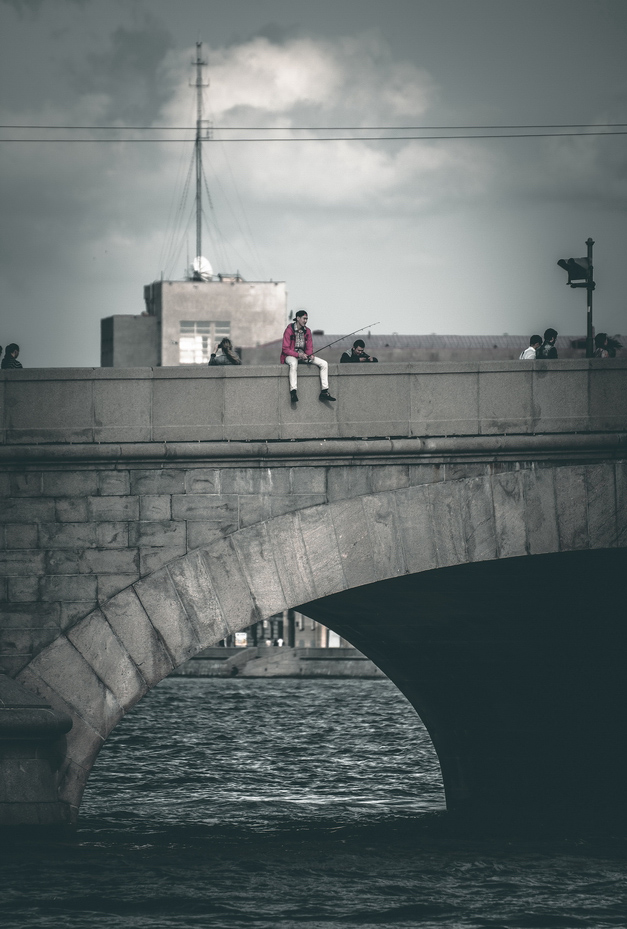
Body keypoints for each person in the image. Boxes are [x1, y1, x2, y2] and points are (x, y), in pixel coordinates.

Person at [280, 310, 336, 403]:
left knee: (324, 364)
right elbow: (285, 349)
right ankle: (293, 391)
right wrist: (298, 355)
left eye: (307, 319)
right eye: (304, 318)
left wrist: (310, 355)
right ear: (298, 318)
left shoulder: (308, 331)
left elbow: (309, 347)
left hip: (303, 356)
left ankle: (324, 391)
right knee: (293, 363)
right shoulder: (289, 330)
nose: (305, 321)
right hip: (290, 355)